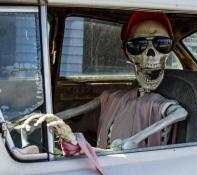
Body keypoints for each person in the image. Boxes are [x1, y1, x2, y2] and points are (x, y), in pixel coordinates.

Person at [19, 11, 187, 155]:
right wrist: (44, 120)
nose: (151, 55)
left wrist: (134, 140)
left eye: (162, 44)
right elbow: (79, 110)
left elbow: (180, 113)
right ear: (127, 53)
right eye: (138, 45)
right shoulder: (113, 97)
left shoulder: (159, 105)